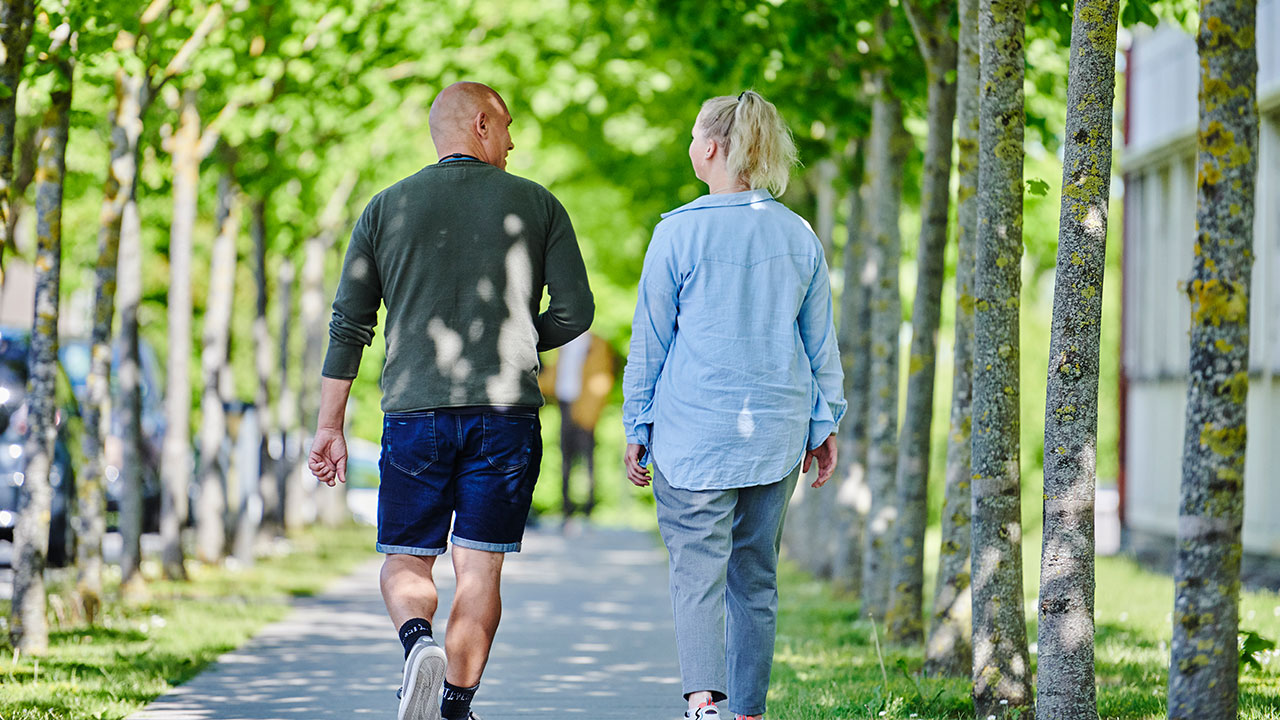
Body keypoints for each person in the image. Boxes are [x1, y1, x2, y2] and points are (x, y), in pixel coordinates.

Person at [307, 81, 594, 720]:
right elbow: (576, 312)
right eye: (509, 125)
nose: (515, 141)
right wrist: (518, 343)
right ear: (483, 125)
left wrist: (330, 425)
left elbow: (348, 324)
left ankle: (417, 648)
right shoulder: (538, 205)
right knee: (480, 572)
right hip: (506, 417)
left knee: (405, 560)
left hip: (414, 414)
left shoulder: (385, 209)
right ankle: (456, 706)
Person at [621, 90, 845, 720]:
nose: (691, 147)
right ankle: (749, 711)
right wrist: (823, 424)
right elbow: (819, 343)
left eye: (695, 137)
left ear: (712, 148)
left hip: (692, 433)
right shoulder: (798, 234)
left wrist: (638, 424)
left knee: (697, 573)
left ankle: (704, 705)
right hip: (775, 434)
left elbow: (651, 343)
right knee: (756, 579)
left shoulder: (676, 234)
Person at [538, 331, 617, 524]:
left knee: (588, 459)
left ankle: (589, 507)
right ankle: (567, 508)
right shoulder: (563, 345)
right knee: (566, 458)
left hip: (586, 407)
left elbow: (603, 376)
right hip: (565, 404)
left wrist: (594, 404)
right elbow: (552, 377)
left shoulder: (596, 344)